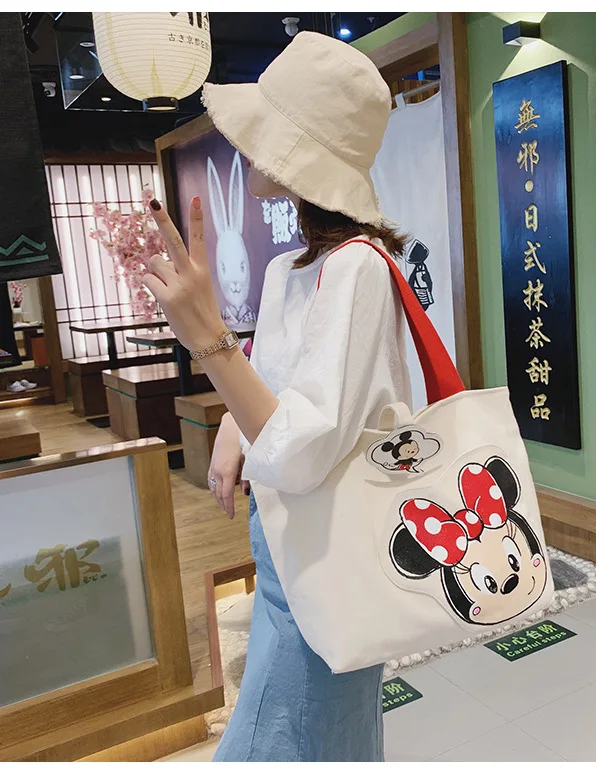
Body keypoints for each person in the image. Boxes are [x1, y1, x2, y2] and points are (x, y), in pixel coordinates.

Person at [142, 31, 411, 762]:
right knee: (326, 741)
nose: (245, 144)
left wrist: (209, 337)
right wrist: (234, 423)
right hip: (285, 549)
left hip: (327, 558)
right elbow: (274, 396)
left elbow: (300, 450)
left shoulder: (357, 268)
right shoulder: (289, 269)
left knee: (280, 744)